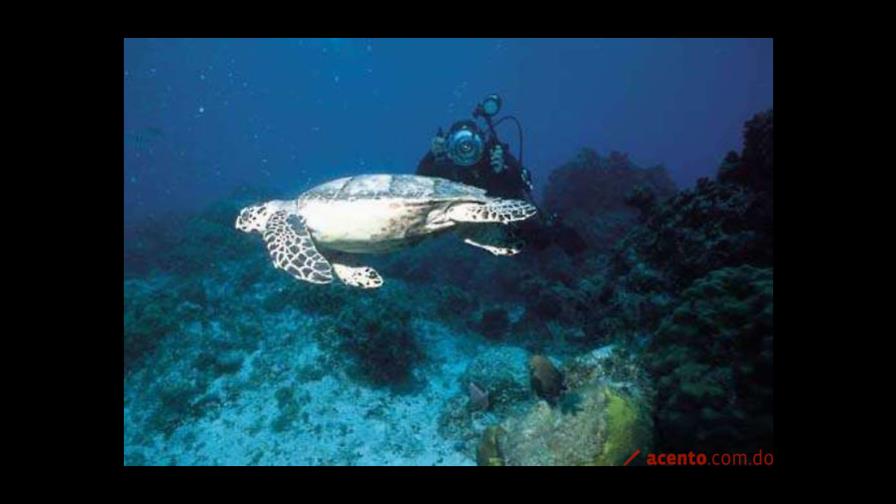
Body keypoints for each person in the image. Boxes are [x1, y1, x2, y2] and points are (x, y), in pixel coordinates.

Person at [415, 94, 586, 255]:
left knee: (539, 242)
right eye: (459, 144)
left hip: (504, 206)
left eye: (471, 142)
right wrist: (431, 155)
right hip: (476, 220)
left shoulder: (494, 154)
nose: (466, 149)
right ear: (449, 146)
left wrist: (503, 170)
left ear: (481, 139)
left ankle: (561, 234)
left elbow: (524, 183)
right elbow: (419, 184)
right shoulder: (447, 164)